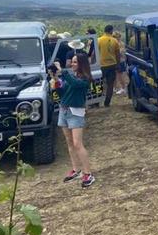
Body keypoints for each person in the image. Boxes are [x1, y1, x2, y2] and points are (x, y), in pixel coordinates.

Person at [52, 53, 95, 188]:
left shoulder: (85, 79)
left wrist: (62, 72)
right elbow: (62, 92)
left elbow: (75, 85)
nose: (72, 64)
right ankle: (76, 170)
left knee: (77, 143)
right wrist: (55, 79)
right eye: (72, 62)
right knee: (70, 143)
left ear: (82, 64)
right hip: (64, 111)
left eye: (75, 62)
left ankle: (88, 173)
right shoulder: (72, 77)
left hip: (75, 113)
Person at [98, 25, 121, 107]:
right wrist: (118, 64)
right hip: (112, 64)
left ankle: (96, 101)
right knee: (110, 84)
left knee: (98, 83)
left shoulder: (99, 40)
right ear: (111, 31)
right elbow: (118, 54)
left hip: (102, 65)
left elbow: (95, 53)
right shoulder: (115, 41)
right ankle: (107, 103)